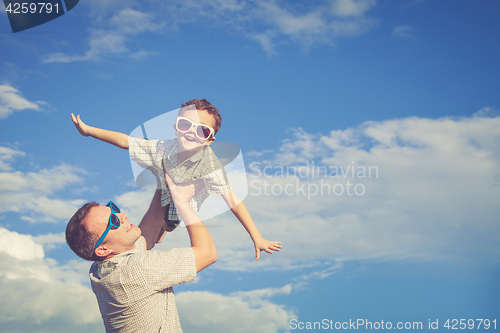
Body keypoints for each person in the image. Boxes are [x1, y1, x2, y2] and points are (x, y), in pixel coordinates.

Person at [71, 99, 282, 259]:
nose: (191, 132)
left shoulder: (211, 167)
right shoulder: (164, 147)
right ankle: (160, 227)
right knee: (161, 210)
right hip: (166, 184)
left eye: (202, 130)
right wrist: (89, 131)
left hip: (185, 200)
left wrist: (257, 237)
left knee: (170, 224)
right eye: (185, 125)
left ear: (210, 140)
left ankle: (164, 228)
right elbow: (126, 141)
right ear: (175, 127)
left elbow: (233, 201)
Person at [66, 174, 216, 333]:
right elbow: (208, 253)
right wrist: (183, 203)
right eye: (114, 221)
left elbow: (147, 235)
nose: (123, 216)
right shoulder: (138, 269)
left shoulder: (101, 270)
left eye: (114, 210)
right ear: (103, 249)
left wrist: (163, 180)